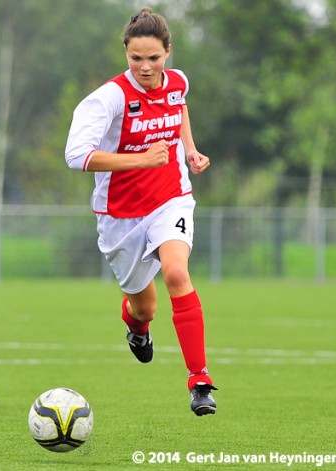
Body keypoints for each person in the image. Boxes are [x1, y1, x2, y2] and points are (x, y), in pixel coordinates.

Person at [65, 7, 217, 416]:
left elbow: (178, 105)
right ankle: (137, 328)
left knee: (176, 272)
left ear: (169, 51)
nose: (145, 67)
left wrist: (188, 149)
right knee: (143, 306)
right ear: (126, 55)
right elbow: (76, 156)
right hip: (121, 216)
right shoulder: (109, 98)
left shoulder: (178, 82)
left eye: (154, 57)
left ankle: (199, 380)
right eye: (136, 59)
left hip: (171, 198)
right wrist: (140, 160)